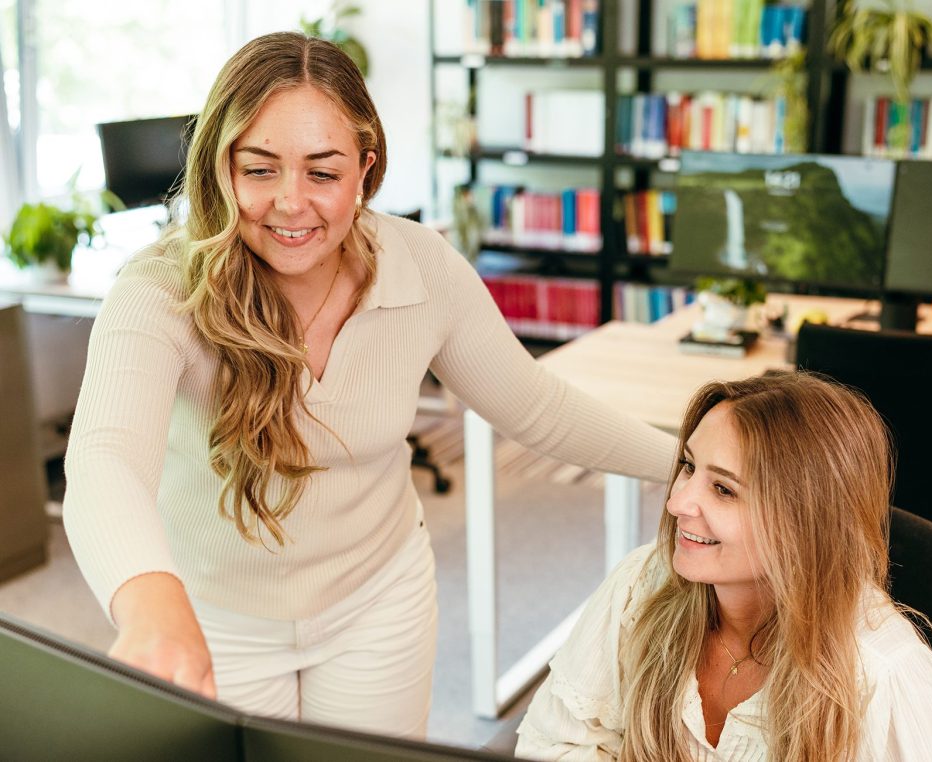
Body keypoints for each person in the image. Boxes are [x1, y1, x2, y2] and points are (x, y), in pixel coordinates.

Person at [62, 32, 677, 738]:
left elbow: (535, 406)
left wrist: (686, 464)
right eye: (259, 170)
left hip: (377, 604)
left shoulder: (420, 269)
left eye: (323, 173)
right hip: (212, 615)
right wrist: (150, 605)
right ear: (220, 169)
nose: (291, 204)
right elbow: (106, 458)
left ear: (366, 169)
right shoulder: (160, 288)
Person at [516, 372, 932, 761]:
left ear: (805, 521)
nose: (677, 502)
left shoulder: (882, 676)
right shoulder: (641, 586)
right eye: (689, 467)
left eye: (724, 490)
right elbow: (554, 744)